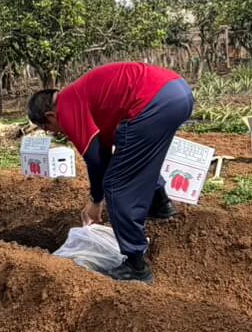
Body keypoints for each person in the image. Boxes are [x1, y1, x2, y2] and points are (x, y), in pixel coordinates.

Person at [27, 62, 194, 284]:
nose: (54, 133)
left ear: (50, 116)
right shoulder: (79, 95)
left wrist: (96, 201)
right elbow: (104, 150)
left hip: (151, 102)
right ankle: (161, 205)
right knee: (136, 161)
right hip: (178, 91)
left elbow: (95, 159)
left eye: (48, 129)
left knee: (117, 185)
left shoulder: (67, 109)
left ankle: (136, 265)